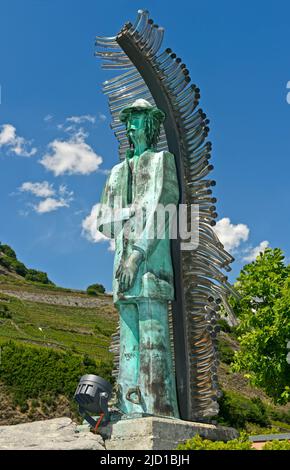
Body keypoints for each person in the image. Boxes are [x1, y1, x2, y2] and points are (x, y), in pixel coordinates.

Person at [96, 98, 180, 417]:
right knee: (129, 346)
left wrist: (137, 255)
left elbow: (162, 207)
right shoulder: (118, 172)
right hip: (122, 268)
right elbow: (104, 221)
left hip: (150, 266)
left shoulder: (162, 161)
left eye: (139, 118)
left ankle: (159, 409)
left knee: (152, 339)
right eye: (129, 119)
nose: (132, 125)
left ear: (151, 124)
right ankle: (128, 408)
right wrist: (129, 212)